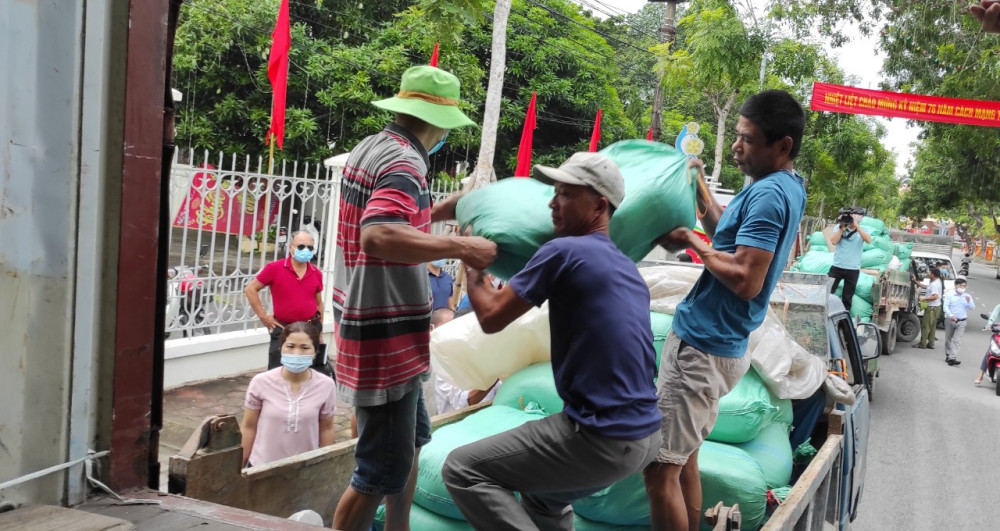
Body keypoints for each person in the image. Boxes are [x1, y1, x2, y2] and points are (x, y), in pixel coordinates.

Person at [442, 152, 662, 531]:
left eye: (565, 194)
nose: (552, 203)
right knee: (543, 498)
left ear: (599, 205)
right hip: (645, 436)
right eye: (554, 192)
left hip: (601, 437)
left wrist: (471, 261)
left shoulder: (564, 251)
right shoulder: (626, 265)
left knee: (463, 470)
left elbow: (492, 317)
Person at [330, 64, 497, 531]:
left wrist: (441, 209)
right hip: (383, 333)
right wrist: (463, 247)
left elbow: (393, 218)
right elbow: (379, 234)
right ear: (438, 122)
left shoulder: (374, 146)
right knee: (375, 473)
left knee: (410, 446)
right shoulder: (406, 162)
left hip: (381, 328)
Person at [644, 90, 807, 531]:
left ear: (783, 145)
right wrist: (698, 184)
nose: (736, 147)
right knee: (684, 461)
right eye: (736, 135)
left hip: (703, 346)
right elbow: (726, 237)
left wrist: (690, 241)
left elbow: (745, 279)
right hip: (720, 342)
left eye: (747, 139)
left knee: (660, 472)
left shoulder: (769, 194)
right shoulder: (781, 186)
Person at [240, 322, 337, 468]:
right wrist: (240, 467)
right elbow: (249, 427)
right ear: (281, 348)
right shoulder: (260, 382)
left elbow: (326, 428)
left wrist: (325, 465)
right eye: (290, 346)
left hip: (305, 469)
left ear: (315, 351)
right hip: (261, 468)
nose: (296, 353)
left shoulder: (326, 385)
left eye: (305, 348)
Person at [245, 231, 324, 370]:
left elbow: (318, 303)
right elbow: (250, 289)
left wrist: (320, 332)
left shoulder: (316, 273)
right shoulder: (274, 268)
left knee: (311, 372)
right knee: (277, 371)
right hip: (283, 328)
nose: (305, 250)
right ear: (291, 247)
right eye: (301, 246)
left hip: (310, 328)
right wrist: (263, 317)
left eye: (310, 247)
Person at [429, 308, 501, 415]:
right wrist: (497, 373)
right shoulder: (445, 363)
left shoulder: (483, 356)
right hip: (457, 422)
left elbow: (501, 389)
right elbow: (465, 402)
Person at [825, 211, 871, 312]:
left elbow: (868, 240)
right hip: (837, 266)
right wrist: (842, 228)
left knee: (847, 297)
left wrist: (856, 225)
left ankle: (844, 316)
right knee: (827, 291)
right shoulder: (840, 227)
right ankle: (825, 312)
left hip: (853, 269)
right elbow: (834, 241)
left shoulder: (864, 229)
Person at [943, 278, 974, 366]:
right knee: (948, 339)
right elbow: (945, 307)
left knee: (957, 341)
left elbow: (972, 308)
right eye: (960, 285)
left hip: (962, 321)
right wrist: (951, 315)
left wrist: (969, 302)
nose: (962, 287)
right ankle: (948, 354)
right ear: (956, 285)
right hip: (950, 320)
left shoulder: (967, 296)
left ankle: (952, 358)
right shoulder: (950, 295)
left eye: (964, 286)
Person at [912, 267, 944, 349]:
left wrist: (924, 299)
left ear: (933, 275)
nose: (928, 274)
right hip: (936, 307)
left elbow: (935, 296)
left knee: (926, 326)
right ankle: (931, 343)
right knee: (932, 326)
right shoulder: (936, 282)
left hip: (932, 308)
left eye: (929, 272)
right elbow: (925, 287)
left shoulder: (935, 284)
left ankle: (922, 343)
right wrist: (915, 281)